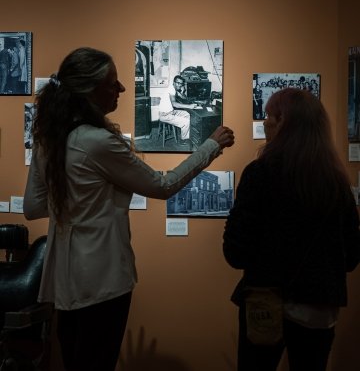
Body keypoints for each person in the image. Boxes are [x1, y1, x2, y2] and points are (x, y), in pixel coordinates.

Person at [23, 47, 234, 371]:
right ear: (89, 91)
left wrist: (79, 205)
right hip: (101, 280)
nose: (122, 89)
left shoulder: (48, 138)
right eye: (112, 83)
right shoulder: (96, 141)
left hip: (63, 282)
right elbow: (163, 187)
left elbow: (33, 206)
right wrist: (212, 145)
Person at [223, 88, 360, 371]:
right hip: (319, 308)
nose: (264, 123)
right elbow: (350, 257)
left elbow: (236, 252)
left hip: (266, 303)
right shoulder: (336, 182)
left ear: (282, 120)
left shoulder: (260, 173)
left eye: (268, 116)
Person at [158, 75, 200, 145]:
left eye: (181, 84)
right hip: (165, 115)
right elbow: (174, 104)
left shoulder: (173, 89)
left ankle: (185, 133)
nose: (179, 85)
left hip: (171, 112)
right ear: (174, 82)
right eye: (178, 83)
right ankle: (183, 140)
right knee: (186, 121)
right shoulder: (171, 89)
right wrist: (189, 106)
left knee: (187, 114)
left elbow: (183, 98)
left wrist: (182, 91)